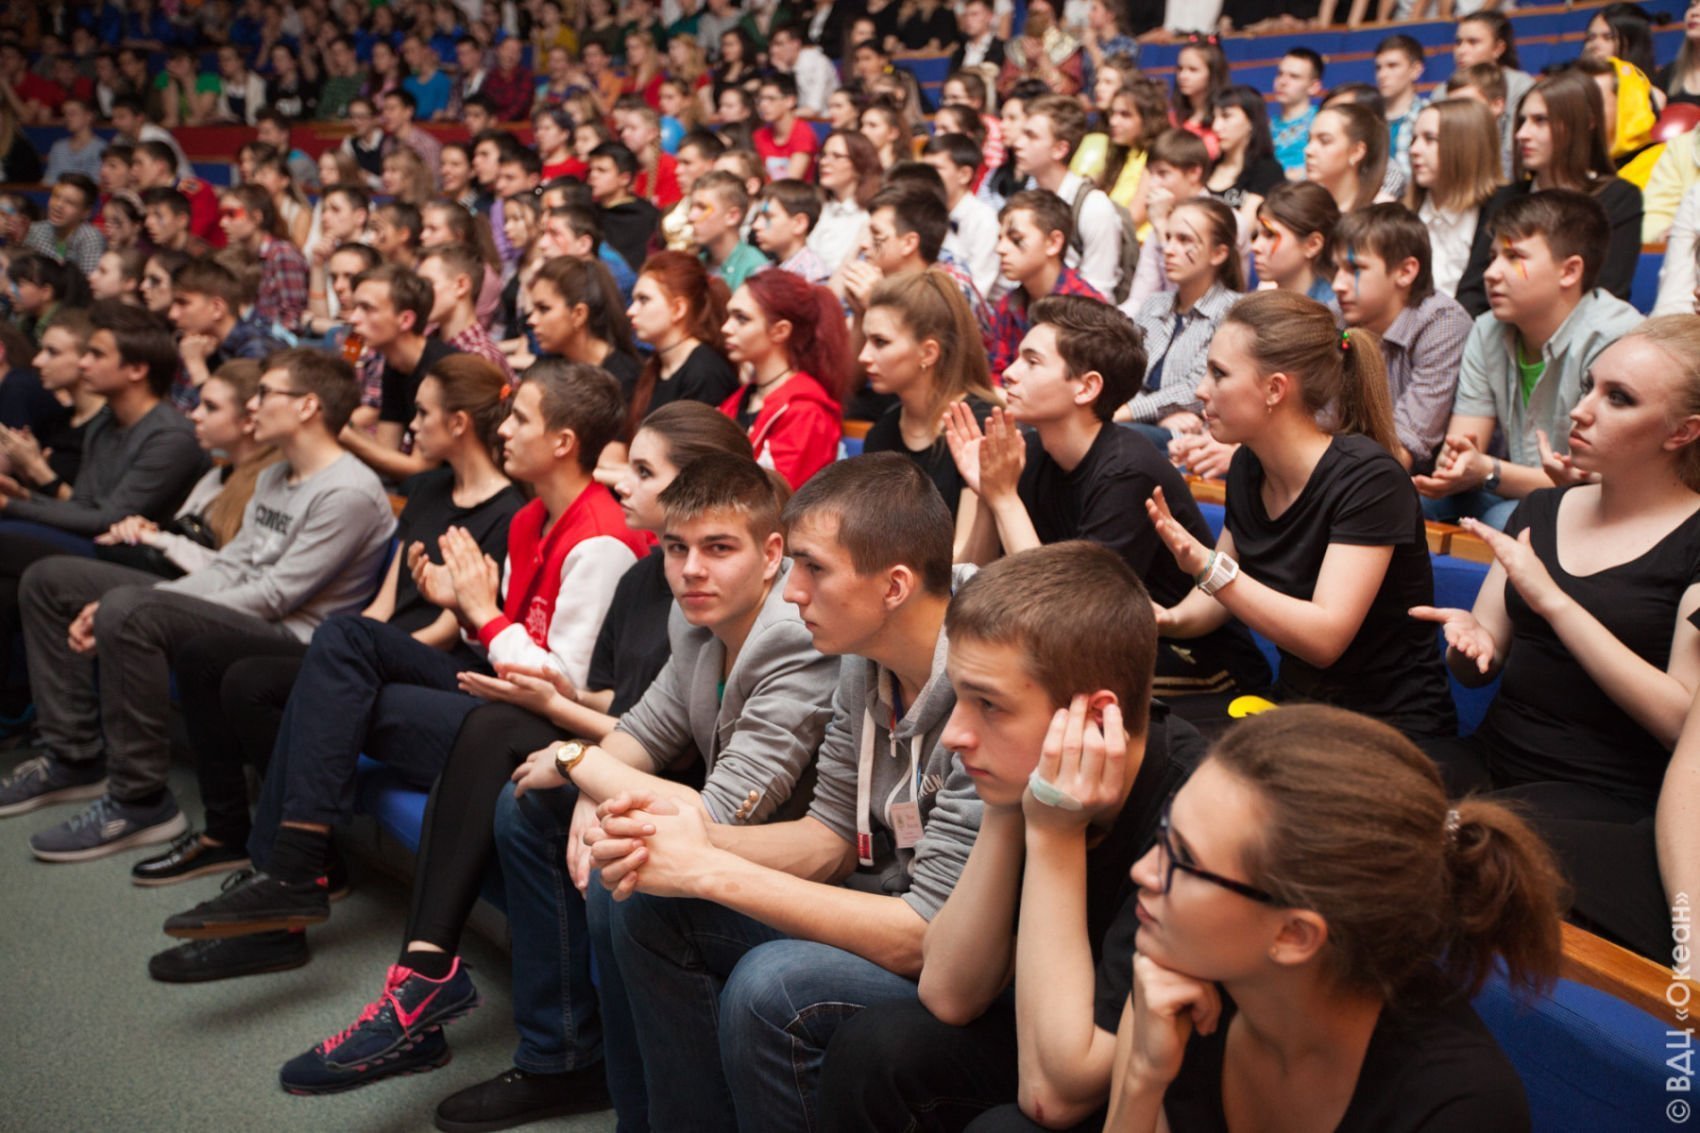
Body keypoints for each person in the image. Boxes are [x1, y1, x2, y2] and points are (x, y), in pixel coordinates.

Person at [156, 361, 644, 951]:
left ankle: (289, 875)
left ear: (562, 442)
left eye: (519, 419)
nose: (503, 429)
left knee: (341, 699)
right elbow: (507, 642)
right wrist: (462, 608)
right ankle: (292, 868)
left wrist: (481, 611)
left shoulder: (600, 541)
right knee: (345, 640)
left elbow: (559, 685)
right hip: (496, 690)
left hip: (537, 728)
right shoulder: (530, 517)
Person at [586, 453, 984, 1133]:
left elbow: (927, 936)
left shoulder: (989, 680)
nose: (792, 592)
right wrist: (684, 839)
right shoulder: (864, 655)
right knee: (644, 891)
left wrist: (708, 867)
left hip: (962, 964)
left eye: (814, 568)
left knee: (772, 983)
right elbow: (830, 835)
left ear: (894, 585)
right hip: (882, 898)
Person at [136, 359, 517, 965]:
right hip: (377, 649)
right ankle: (273, 869)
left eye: (421, 412)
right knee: (233, 668)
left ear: (459, 423)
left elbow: (452, 626)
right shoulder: (428, 489)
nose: (410, 426)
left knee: (311, 661)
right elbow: (387, 601)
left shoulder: (508, 509)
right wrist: (351, 654)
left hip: (434, 662)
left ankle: (290, 878)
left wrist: (360, 655)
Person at [817, 540, 1207, 1132]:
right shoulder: (1024, 771)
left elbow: (1054, 1095)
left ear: (1093, 718)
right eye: (959, 697)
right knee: (876, 1052)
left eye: (989, 705)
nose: (955, 736)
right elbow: (949, 994)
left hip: (1149, 1092)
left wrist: (1052, 832)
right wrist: (1004, 811)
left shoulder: (1192, 817)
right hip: (1050, 1024)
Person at [2, 348, 395, 861]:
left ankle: (139, 800)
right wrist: (156, 598)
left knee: (129, 611)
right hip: (250, 610)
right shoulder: (276, 475)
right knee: (50, 579)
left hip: (293, 635)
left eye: (265, 393)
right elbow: (230, 567)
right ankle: (72, 756)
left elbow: (276, 595)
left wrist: (142, 604)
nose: (252, 405)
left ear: (307, 406)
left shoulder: (349, 491)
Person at [1092, 705, 1563, 1130]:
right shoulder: (1176, 976)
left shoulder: (1456, 1108)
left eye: (1184, 860)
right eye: (1164, 832)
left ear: (1294, 935)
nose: (1143, 871)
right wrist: (1143, 1079)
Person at [1412, 314, 1700, 964]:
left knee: (1454, 854)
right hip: (1494, 759)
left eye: (1618, 398)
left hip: (1600, 798)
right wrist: (1468, 645)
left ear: (1682, 432)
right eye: (1591, 385)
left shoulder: (1693, 540)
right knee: (1354, 798)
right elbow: (1481, 663)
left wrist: (1555, 602)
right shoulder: (1542, 508)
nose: (1582, 409)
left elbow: (1682, 722)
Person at [1147, 290, 1457, 738]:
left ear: (1275, 389)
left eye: (1219, 373)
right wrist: (1167, 619)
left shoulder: (1370, 479)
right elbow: (1217, 592)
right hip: (1295, 710)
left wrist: (1206, 567)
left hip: (1386, 729)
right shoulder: (1248, 465)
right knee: (1153, 733)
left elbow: (1324, 639)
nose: (1201, 390)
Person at [951, 293, 1267, 708]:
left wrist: (1005, 498)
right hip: (1099, 655)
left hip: (1200, 663)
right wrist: (987, 494)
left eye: (1032, 362)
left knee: (1019, 685)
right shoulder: (1031, 453)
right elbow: (972, 585)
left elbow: (1065, 617)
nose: (1009, 373)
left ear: (1086, 387)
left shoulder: (1126, 471)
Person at [1419, 191, 1643, 531]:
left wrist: (1489, 470)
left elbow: (1597, 482)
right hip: (1516, 488)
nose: (1491, 273)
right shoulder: (1487, 329)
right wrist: (1457, 468)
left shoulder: (1616, 339)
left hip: (1604, 504)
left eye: (1514, 257)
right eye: (1492, 257)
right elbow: (1463, 448)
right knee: (1416, 502)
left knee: (1506, 519)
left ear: (1569, 271)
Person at [1455, 71, 1643, 318]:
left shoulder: (1618, 198)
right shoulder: (1505, 198)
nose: (1522, 134)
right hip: (1498, 332)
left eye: (1540, 120)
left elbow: (1607, 294)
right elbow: (1472, 292)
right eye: (1523, 121)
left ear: (1585, 124)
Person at [860, 269, 1002, 547]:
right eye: (866, 340)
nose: (863, 356)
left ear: (928, 353)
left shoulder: (977, 424)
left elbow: (969, 560)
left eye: (880, 342)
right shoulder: (882, 432)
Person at [1331, 204, 1472, 476]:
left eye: (1354, 268)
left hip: (1421, 481)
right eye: (1336, 269)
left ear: (1406, 272)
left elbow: (1399, 452)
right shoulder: (1337, 316)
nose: (1337, 284)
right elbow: (1317, 419)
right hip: (1352, 468)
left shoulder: (1441, 323)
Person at [1117, 197, 1242, 443]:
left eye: (1184, 240)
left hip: (1194, 438)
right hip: (1140, 425)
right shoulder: (1154, 304)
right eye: (1168, 237)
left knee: (1106, 436)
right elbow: (1125, 374)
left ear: (1218, 253)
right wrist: (1156, 416)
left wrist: (1126, 413)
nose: (1169, 249)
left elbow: (1198, 386)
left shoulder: (1233, 312)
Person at [718, 269, 848, 489]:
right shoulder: (742, 397)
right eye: (729, 316)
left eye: (742, 318)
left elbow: (776, 500)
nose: (726, 328)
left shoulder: (806, 413)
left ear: (780, 331)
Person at [1015, 94, 1124, 300]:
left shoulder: (1093, 206)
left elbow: (1099, 293)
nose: (1018, 143)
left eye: (1031, 136)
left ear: (1060, 149)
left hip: (1077, 315)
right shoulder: (1026, 198)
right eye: (1021, 134)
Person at [988, 190, 1105, 378]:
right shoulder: (1007, 305)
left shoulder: (1087, 312)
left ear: (1053, 242)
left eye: (1016, 239)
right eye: (1000, 239)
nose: (1000, 249)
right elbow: (995, 373)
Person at [625, 250, 740, 434]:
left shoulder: (706, 373)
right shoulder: (656, 365)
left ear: (678, 309)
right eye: (634, 300)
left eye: (643, 300)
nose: (631, 311)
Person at [1408, 97, 1504, 302]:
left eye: (1429, 139)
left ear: (1464, 146)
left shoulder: (1501, 211)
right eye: (1414, 139)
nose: (1414, 150)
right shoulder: (1405, 214)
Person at [166, 259, 287, 410]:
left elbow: (238, 416)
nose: (172, 314)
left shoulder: (257, 348)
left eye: (183, 303)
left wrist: (195, 365)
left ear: (217, 308)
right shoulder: (200, 345)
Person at [527, 256, 643, 402]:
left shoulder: (624, 380)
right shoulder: (547, 366)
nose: (531, 320)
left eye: (544, 309)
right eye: (533, 309)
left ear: (578, 314)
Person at [218, 184, 310, 335]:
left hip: (275, 343)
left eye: (231, 214)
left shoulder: (282, 254)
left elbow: (293, 320)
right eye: (221, 215)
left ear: (256, 217)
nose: (223, 223)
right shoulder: (238, 256)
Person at [920, 133, 1001, 300]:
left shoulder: (984, 220)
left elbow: (978, 291)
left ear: (964, 175)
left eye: (935, 169)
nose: (926, 177)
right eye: (924, 169)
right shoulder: (924, 211)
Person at [416, 244, 514, 380]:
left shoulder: (480, 357)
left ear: (461, 285)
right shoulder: (428, 341)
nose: (420, 294)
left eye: (428, 284)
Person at [1203, 86, 1282, 222]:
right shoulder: (1209, 166)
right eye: (1214, 117)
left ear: (1252, 121)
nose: (1216, 127)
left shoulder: (1268, 170)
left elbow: (1245, 227)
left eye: (1226, 116)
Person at [810, 129, 881, 276]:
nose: (824, 162)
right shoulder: (817, 207)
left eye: (836, 156)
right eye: (823, 155)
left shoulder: (870, 216)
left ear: (859, 164)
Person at [588, 142, 662, 281]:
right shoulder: (588, 212)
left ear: (624, 178)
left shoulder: (645, 216)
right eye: (591, 170)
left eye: (601, 170)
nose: (593, 175)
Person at [1305, 102, 1390, 216]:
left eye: (1324, 141)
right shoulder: (1303, 206)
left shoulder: (1380, 214)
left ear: (1357, 152)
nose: (1308, 150)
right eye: (1309, 140)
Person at [690, 170, 767, 291]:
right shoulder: (695, 265)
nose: (691, 216)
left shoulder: (755, 270)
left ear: (732, 216)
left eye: (702, 208)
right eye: (692, 207)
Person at [21, 173, 103, 276]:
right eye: (55, 196)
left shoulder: (90, 237)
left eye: (69, 202)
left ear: (86, 212)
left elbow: (88, 282)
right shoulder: (36, 231)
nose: (58, 205)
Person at [751, 178, 828, 284]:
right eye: (757, 217)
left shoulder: (813, 276)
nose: (756, 225)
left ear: (799, 224)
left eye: (768, 217)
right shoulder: (763, 270)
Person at [1376, 34, 1427, 178]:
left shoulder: (1429, 115)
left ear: (1416, 70)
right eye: (1378, 68)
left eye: (1392, 66)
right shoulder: (1369, 118)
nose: (1382, 74)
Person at [1271, 49, 1324, 180]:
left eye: (1294, 76)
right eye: (1280, 74)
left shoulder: (1322, 121)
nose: (1282, 82)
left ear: (1314, 87)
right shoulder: (1265, 126)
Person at [43, 97, 106, 184]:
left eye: (72, 114)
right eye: (65, 114)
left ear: (88, 116)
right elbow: (50, 179)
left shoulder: (101, 147)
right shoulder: (58, 147)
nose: (67, 118)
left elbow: (96, 181)